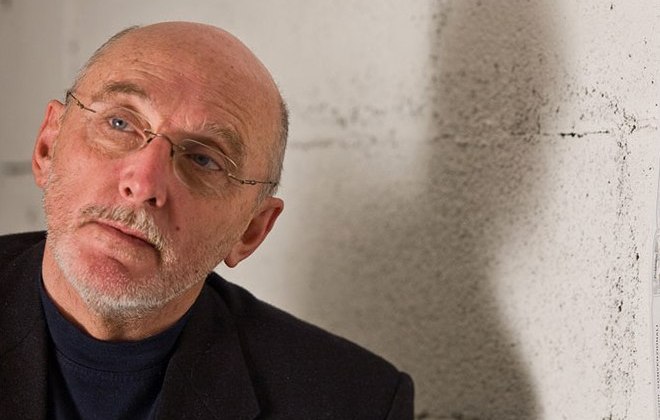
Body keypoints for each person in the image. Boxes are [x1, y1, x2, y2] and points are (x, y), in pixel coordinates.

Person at [0, 21, 413, 419]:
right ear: (48, 147)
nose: (142, 184)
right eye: (120, 123)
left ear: (250, 231)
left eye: (203, 159)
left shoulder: (353, 402)